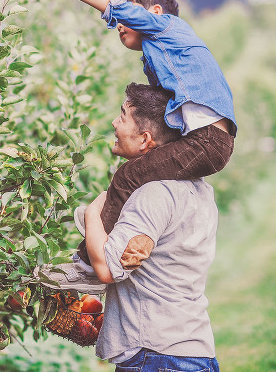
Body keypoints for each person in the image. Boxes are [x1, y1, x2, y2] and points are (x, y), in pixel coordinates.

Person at [29, 0, 236, 277]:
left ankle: (87, 260)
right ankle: (122, 238)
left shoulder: (168, 27)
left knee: (128, 176)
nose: (119, 25)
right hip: (206, 141)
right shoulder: (163, 56)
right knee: (137, 172)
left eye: (129, 16)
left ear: (153, 12)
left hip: (206, 141)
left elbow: (117, 7)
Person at [86, 83, 221, 371]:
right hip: (192, 352)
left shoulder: (153, 193)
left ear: (145, 139)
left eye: (123, 116)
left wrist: (91, 211)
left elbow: (108, 269)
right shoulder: (200, 191)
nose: (114, 122)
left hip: (157, 355)